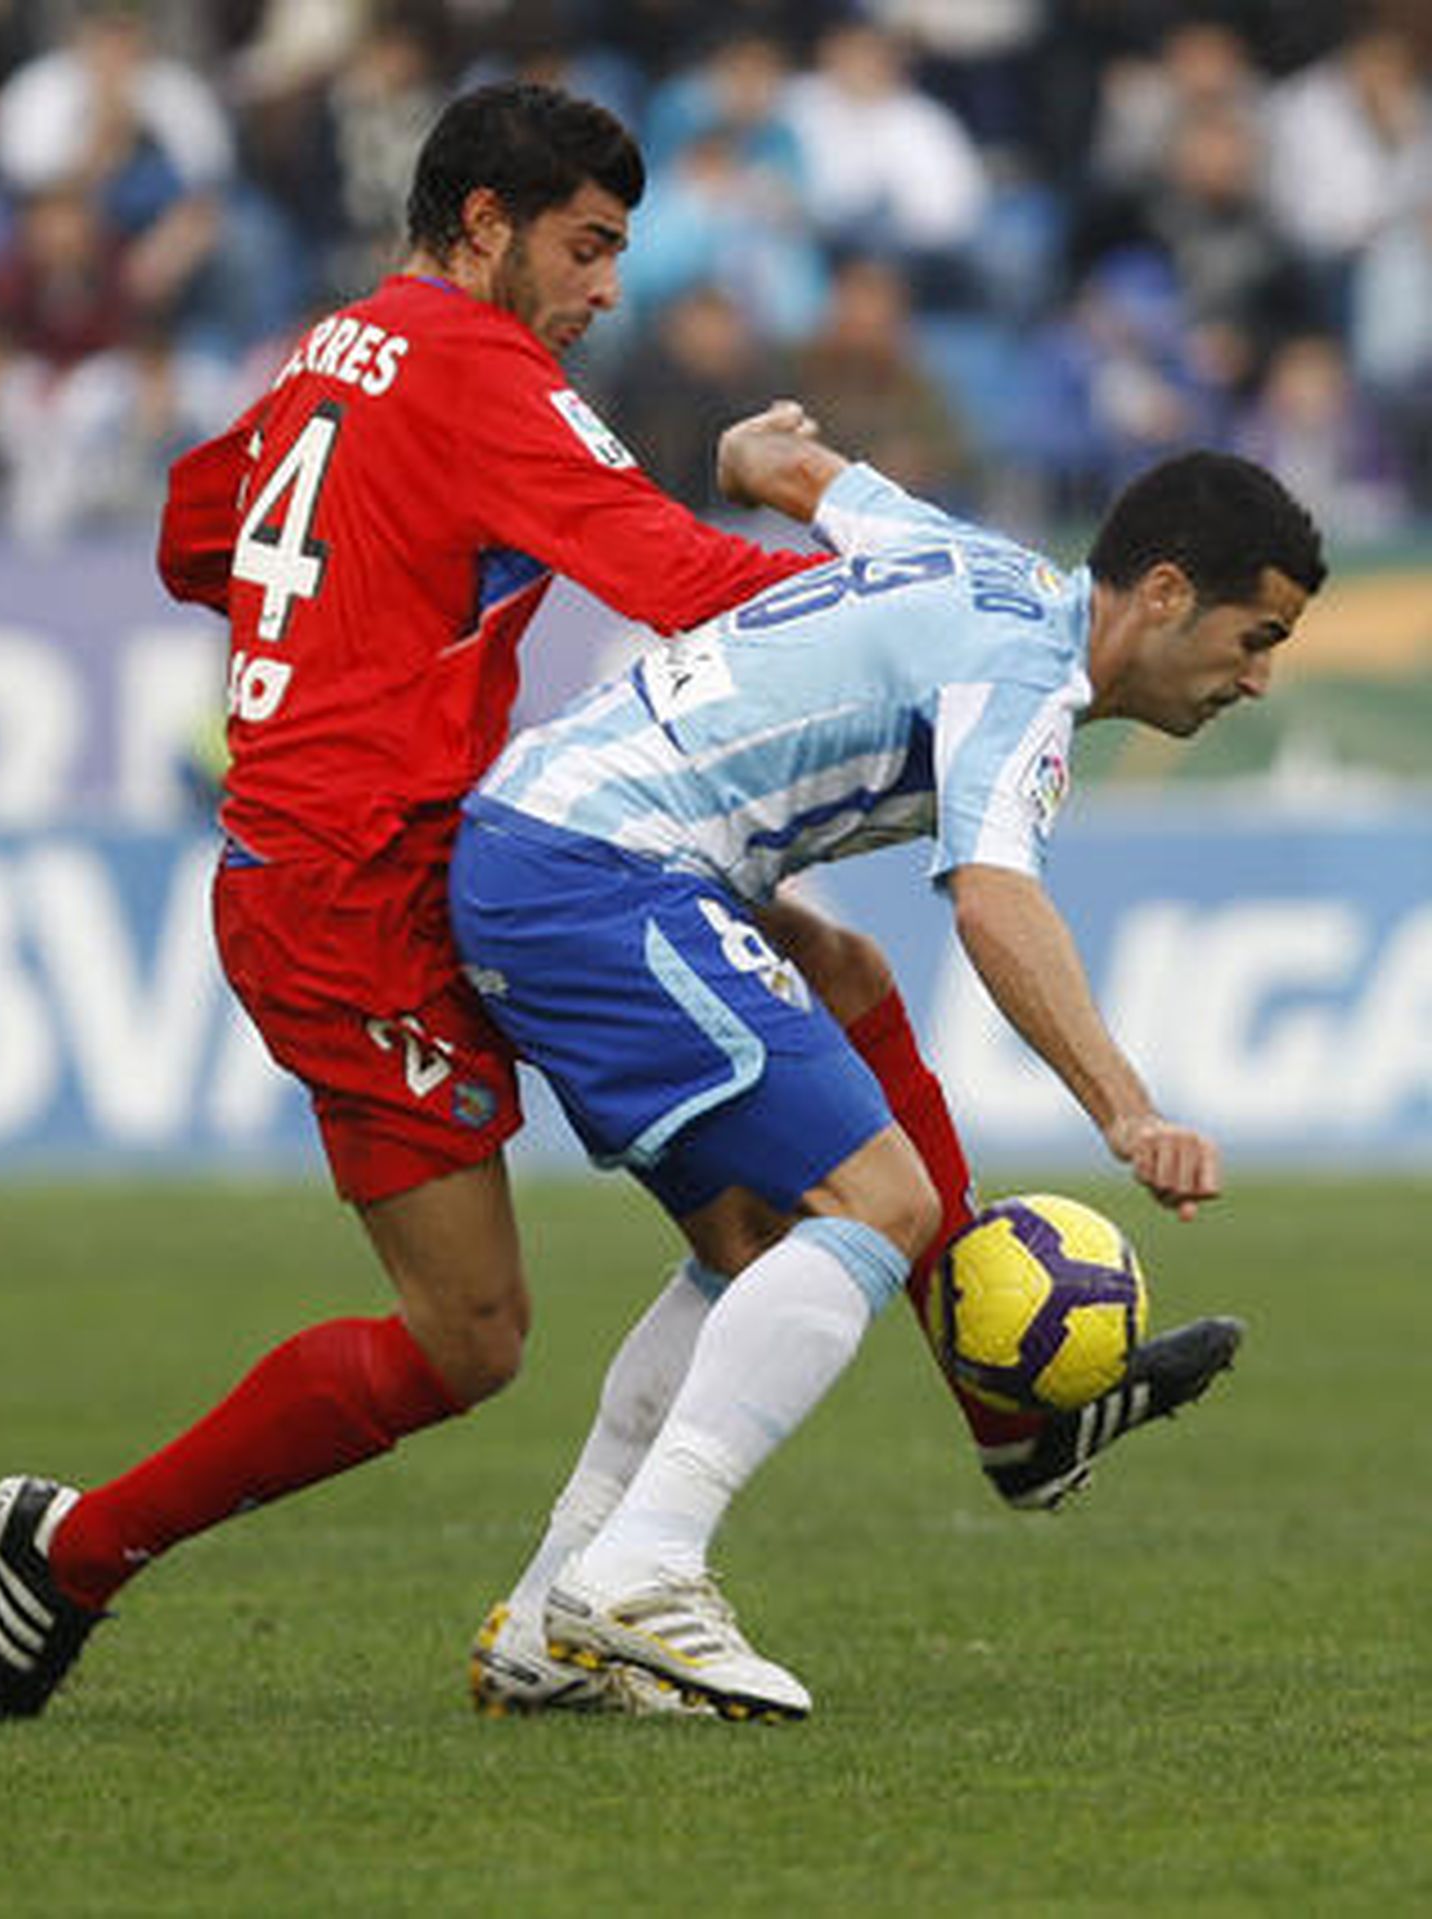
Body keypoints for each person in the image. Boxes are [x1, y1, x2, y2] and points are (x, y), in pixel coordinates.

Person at [0, 80, 974, 1722]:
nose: (605, 290)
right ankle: (77, 1548)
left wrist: (336, 605)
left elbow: (188, 530)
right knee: (470, 1335)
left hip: (425, 855)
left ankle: (590, 1607)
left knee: (750, 1214)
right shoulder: (469, 358)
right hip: (348, 882)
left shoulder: (330, 346)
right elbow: (675, 571)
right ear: (486, 224)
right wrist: (936, 615)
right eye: (585, 248)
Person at [453, 442, 1325, 1720]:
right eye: (1255, 637)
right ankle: (645, 1567)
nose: (1256, 677)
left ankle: (545, 1617)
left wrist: (759, 456)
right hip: (600, 868)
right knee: (883, 1201)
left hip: (549, 843)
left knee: (759, 1225)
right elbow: (991, 899)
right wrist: (1124, 1107)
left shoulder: (980, 564)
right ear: (1162, 593)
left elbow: (822, 483)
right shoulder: (1028, 672)